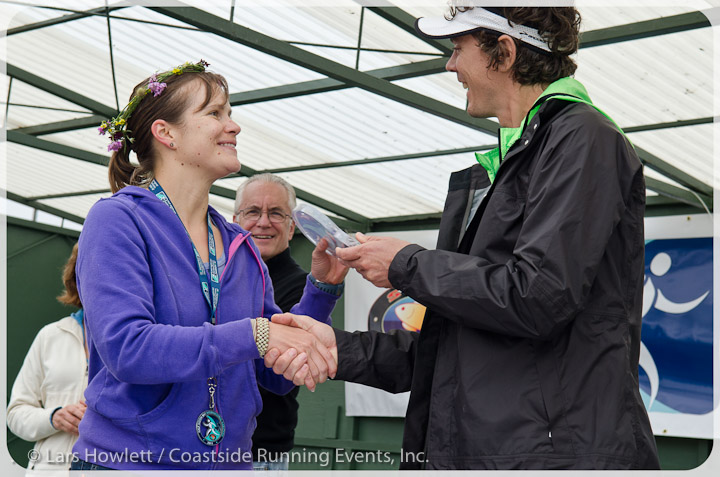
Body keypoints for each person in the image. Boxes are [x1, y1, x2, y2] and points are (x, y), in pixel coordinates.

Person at [267, 5, 660, 470]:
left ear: (505, 52)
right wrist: (335, 348)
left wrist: (406, 263)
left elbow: (539, 295)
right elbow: (451, 347)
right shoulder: (508, 162)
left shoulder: (583, 136)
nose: (450, 65)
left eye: (457, 48)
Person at [71, 60, 346, 471]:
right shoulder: (117, 220)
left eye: (229, 113)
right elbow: (128, 349)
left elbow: (275, 375)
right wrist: (255, 333)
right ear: (166, 133)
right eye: (215, 113)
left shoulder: (240, 246)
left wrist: (321, 290)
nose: (233, 126)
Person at [234, 173, 342, 471]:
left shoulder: (302, 287)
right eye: (253, 211)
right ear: (235, 220)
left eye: (276, 213)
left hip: (258, 456)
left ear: (292, 227)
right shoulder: (217, 277)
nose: (263, 222)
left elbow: (279, 374)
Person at [7, 243, 88, 471]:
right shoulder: (51, 335)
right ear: (75, 279)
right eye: (86, 271)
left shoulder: (135, 342)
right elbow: (15, 413)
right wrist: (54, 418)